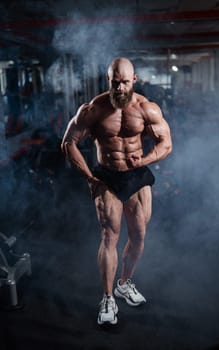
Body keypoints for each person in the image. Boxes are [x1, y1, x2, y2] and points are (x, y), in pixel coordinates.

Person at [61, 57, 172, 325]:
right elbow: (69, 142)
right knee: (109, 236)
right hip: (107, 176)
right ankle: (108, 298)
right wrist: (89, 177)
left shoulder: (147, 108)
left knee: (139, 235)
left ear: (134, 80)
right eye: (114, 82)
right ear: (107, 80)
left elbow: (166, 143)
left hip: (136, 174)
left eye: (124, 82)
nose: (119, 88)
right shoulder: (94, 109)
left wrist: (144, 161)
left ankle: (124, 283)